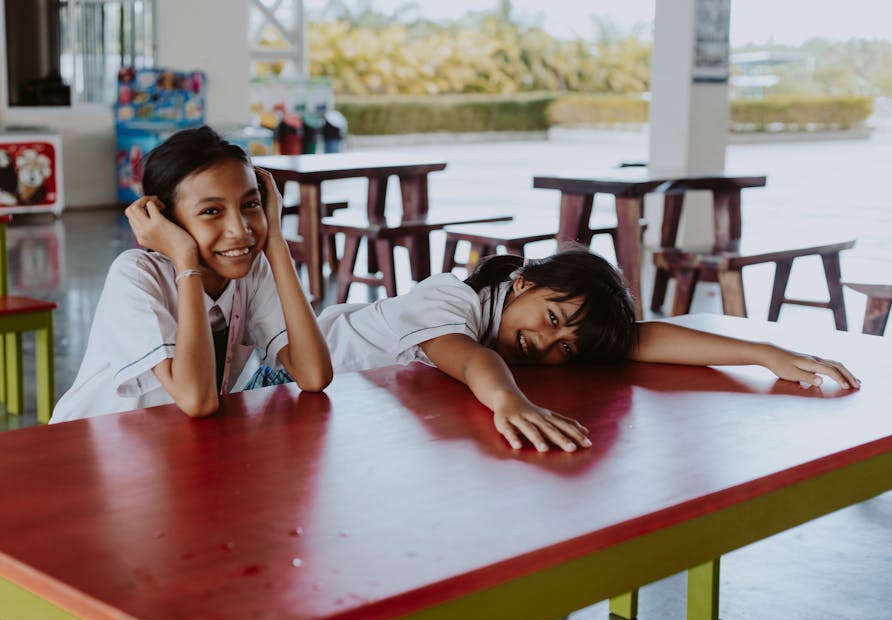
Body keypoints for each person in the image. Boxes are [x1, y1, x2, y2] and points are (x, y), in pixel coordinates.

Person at [255, 247, 859, 452]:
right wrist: (508, 402)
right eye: (550, 319)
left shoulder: (530, 334)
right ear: (521, 282)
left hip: (338, 416)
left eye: (565, 347)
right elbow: (468, 357)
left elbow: (636, 338)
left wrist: (763, 353)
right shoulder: (450, 299)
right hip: (269, 391)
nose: (546, 343)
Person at [50, 126, 332, 422]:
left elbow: (314, 374)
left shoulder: (253, 271)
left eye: (250, 204)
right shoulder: (136, 276)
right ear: (165, 219)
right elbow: (198, 399)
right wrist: (186, 262)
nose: (240, 230)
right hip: (86, 442)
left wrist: (275, 239)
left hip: (174, 441)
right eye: (211, 211)